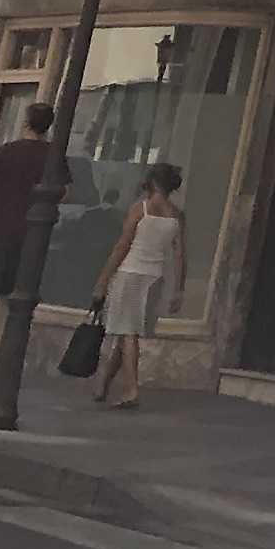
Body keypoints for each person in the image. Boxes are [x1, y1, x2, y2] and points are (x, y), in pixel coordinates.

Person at [0, 101, 61, 382]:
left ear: (26, 122)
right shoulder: (52, 155)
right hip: (30, 234)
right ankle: (2, 357)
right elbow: (67, 191)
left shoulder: (7, 151)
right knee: (13, 297)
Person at [90, 163, 184, 408]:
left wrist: (103, 278)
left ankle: (131, 389)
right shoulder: (176, 215)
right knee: (127, 331)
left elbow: (122, 245)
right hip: (155, 279)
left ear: (151, 182)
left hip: (130, 274)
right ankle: (104, 384)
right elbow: (180, 255)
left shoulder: (140, 209)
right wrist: (178, 289)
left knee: (127, 333)